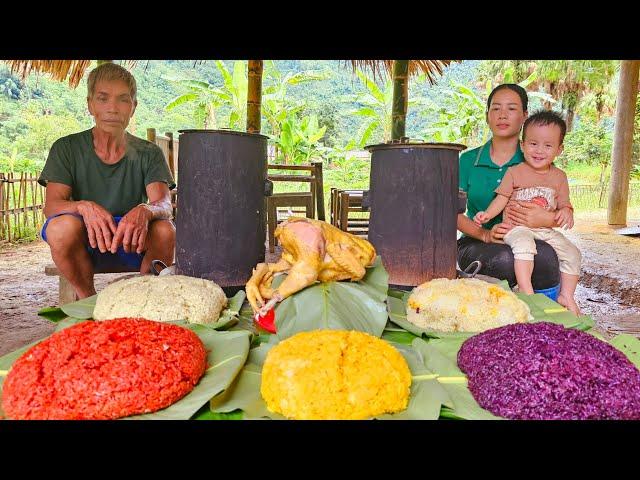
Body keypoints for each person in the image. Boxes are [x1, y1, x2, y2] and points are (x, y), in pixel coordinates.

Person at [38, 62, 176, 300]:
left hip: (133, 241)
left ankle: (143, 299)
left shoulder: (149, 152)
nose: (113, 108)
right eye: (103, 99)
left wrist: (145, 209)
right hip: (85, 243)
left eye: (123, 99)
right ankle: (89, 302)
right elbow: (51, 206)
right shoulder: (66, 148)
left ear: (133, 107)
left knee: (165, 230)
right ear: (90, 104)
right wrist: (84, 206)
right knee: (60, 228)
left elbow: (164, 204)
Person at [474, 111, 581, 314]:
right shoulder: (515, 172)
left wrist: (567, 212)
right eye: (533, 144)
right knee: (525, 244)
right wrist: (487, 215)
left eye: (548, 145)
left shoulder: (559, 177)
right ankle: (526, 289)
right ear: (522, 146)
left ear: (559, 149)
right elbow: (502, 199)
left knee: (573, 253)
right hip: (516, 228)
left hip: (545, 230)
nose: (539, 150)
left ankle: (566, 295)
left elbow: (564, 204)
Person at [457, 84, 561, 292]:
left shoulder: (540, 161)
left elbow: (560, 212)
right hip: (476, 241)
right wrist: (484, 234)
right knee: (504, 260)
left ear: (524, 115)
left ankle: (542, 318)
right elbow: (451, 213)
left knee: (548, 258)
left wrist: (545, 219)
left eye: (511, 109)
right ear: (487, 116)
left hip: (529, 236)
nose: (502, 115)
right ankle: (498, 318)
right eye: (496, 108)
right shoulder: (468, 160)